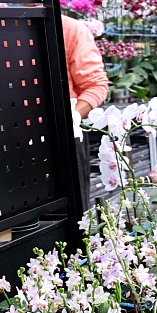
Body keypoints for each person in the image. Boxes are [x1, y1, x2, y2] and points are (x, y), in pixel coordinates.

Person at [62, 15, 109, 210]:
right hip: (8, 138)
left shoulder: (70, 29)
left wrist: (69, 117)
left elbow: (96, 86)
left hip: (64, 135)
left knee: (71, 215)